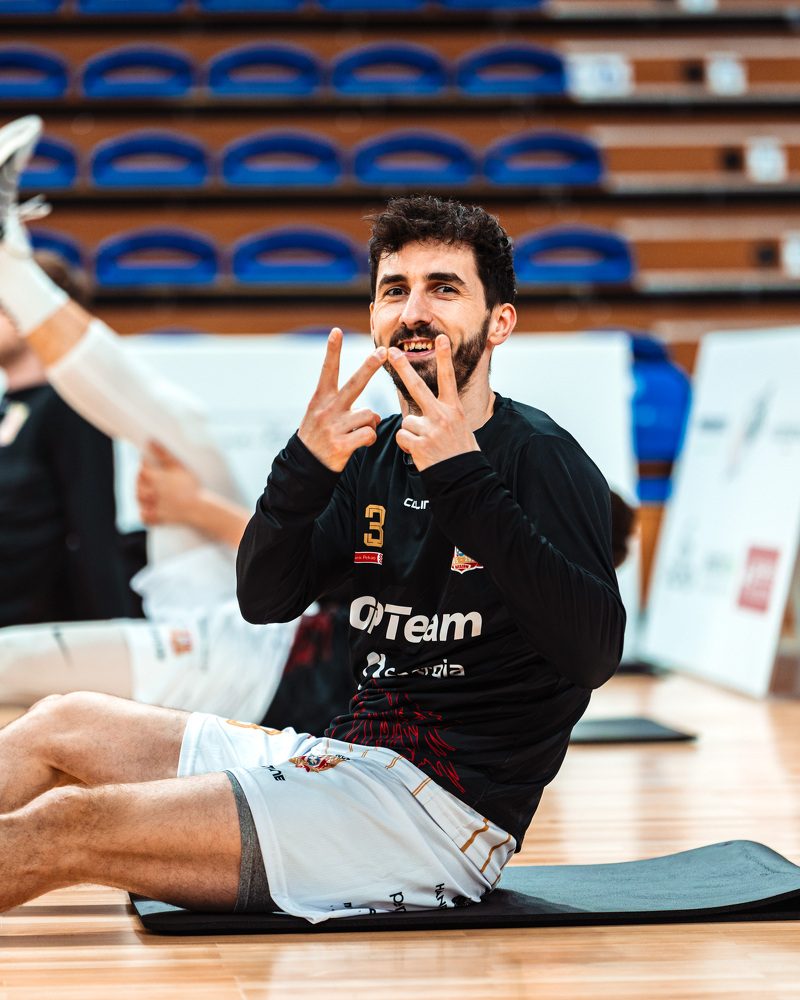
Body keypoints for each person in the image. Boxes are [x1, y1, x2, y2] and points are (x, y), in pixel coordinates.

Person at [0, 116, 624, 920]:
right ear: (373, 316)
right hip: (344, 759)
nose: (415, 310)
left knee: (68, 824)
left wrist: (463, 480)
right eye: (395, 290)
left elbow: (593, 651)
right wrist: (304, 465)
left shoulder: (542, 456)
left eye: (444, 288)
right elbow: (265, 598)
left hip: (439, 819)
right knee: (63, 722)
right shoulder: (371, 455)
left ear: (499, 321)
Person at [0, 115, 299, 720]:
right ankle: (10, 258)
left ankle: (10, 262)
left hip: (256, 666)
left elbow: (313, 568)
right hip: (235, 622)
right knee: (178, 428)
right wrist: (193, 507)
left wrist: (196, 508)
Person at [0, 246, 139, 627]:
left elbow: (95, 535)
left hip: (30, 633)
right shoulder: (9, 407)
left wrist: (114, 640)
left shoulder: (71, 407)